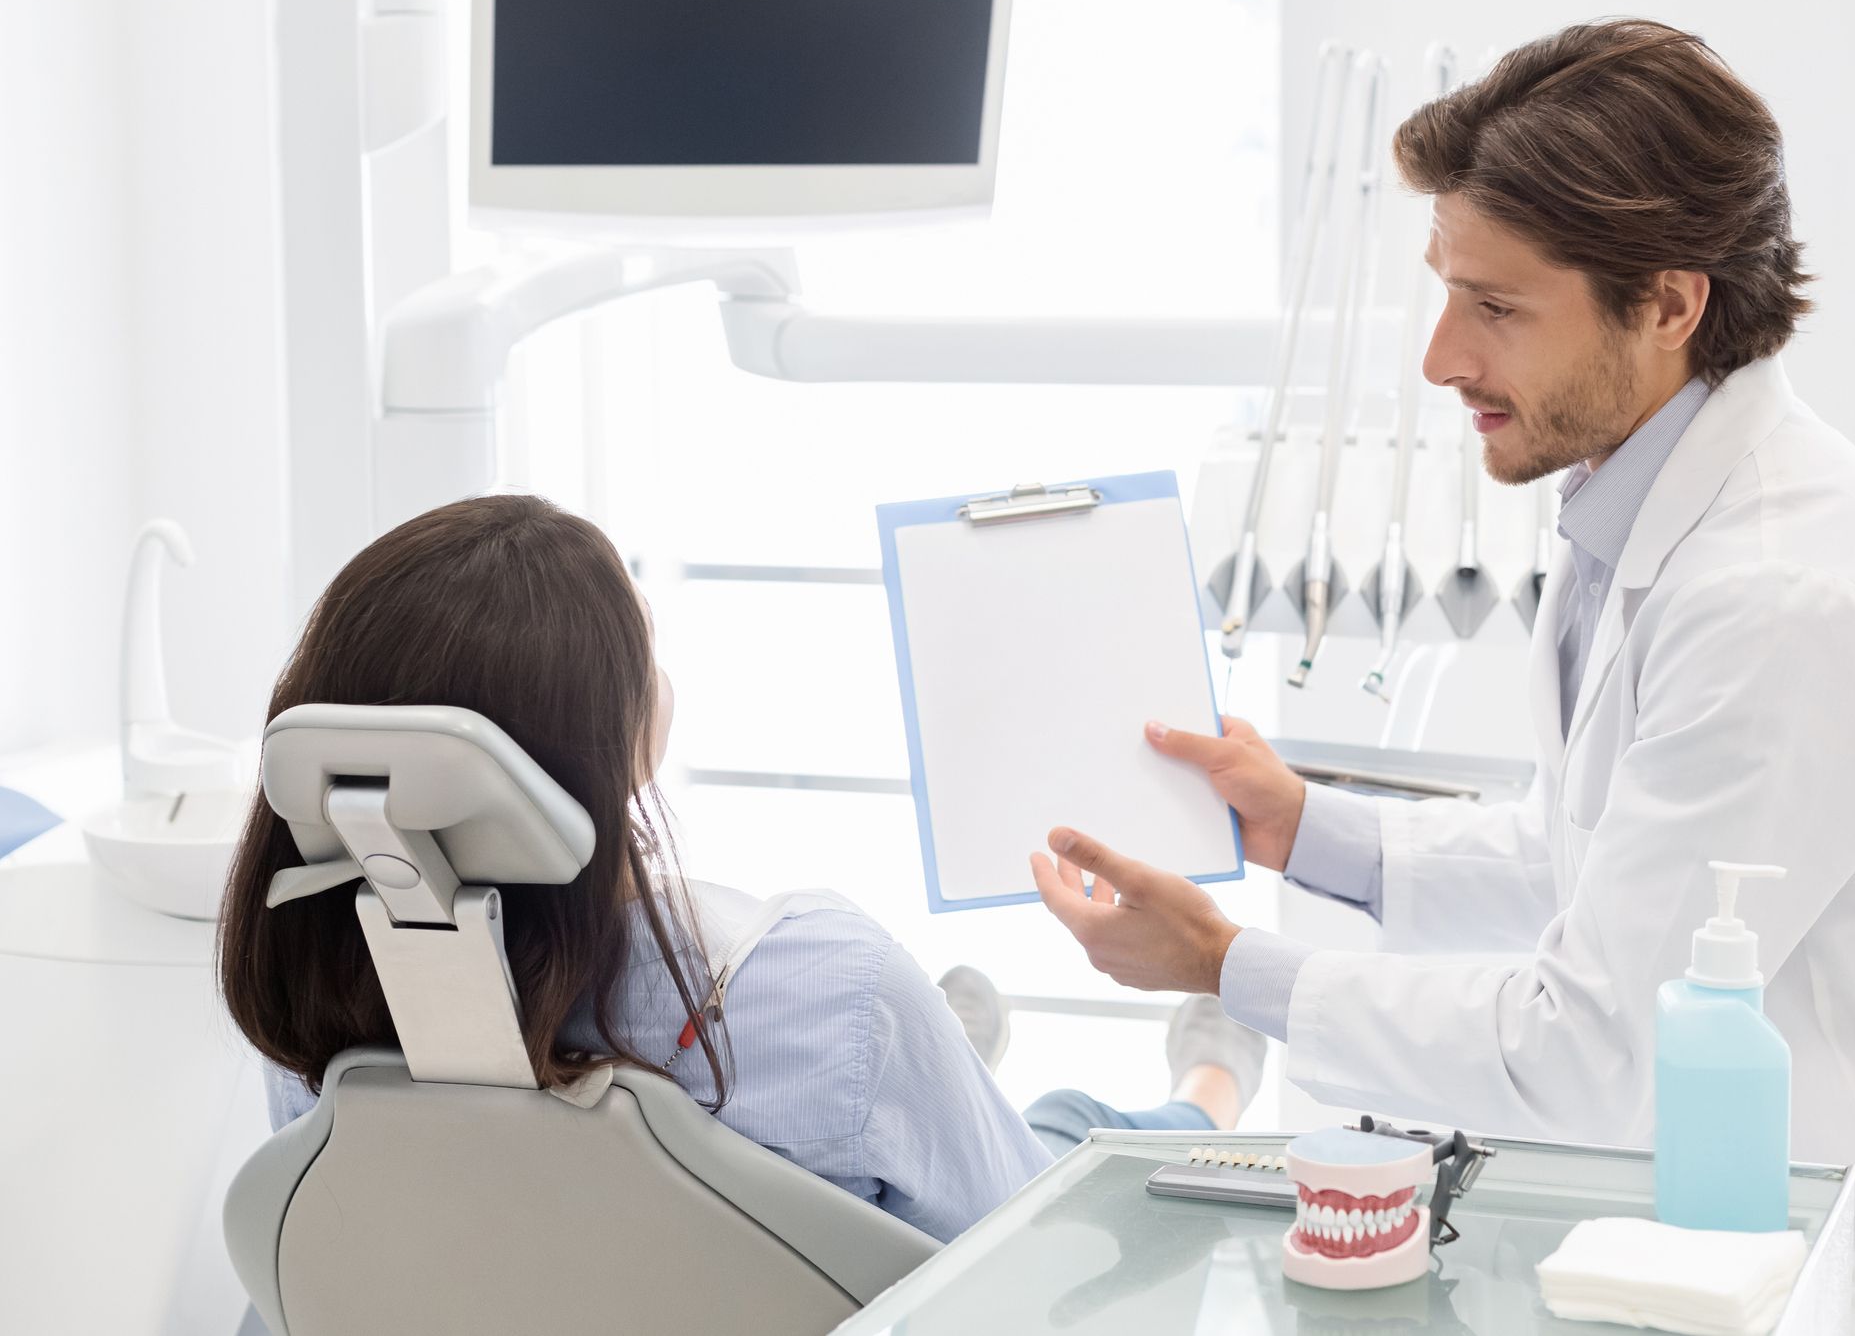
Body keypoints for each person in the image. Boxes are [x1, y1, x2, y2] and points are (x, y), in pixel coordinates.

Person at [1029, 20, 1855, 1332]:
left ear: (1671, 303)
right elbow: (1593, 851)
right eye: (1447, 289)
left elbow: (1588, 1048)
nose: (1441, 356)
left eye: (1496, 307)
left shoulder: (1784, 599)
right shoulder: (1632, 495)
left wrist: (1230, 967)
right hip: (1700, 1222)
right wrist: (1307, 829)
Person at [217, 493, 1264, 1243]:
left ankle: (953, 1053)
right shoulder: (824, 992)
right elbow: (1028, 1251)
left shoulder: (324, 983)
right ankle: (1208, 1087)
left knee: (904, 1080)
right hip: (893, 1133)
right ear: (612, 740)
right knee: (1070, 1131)